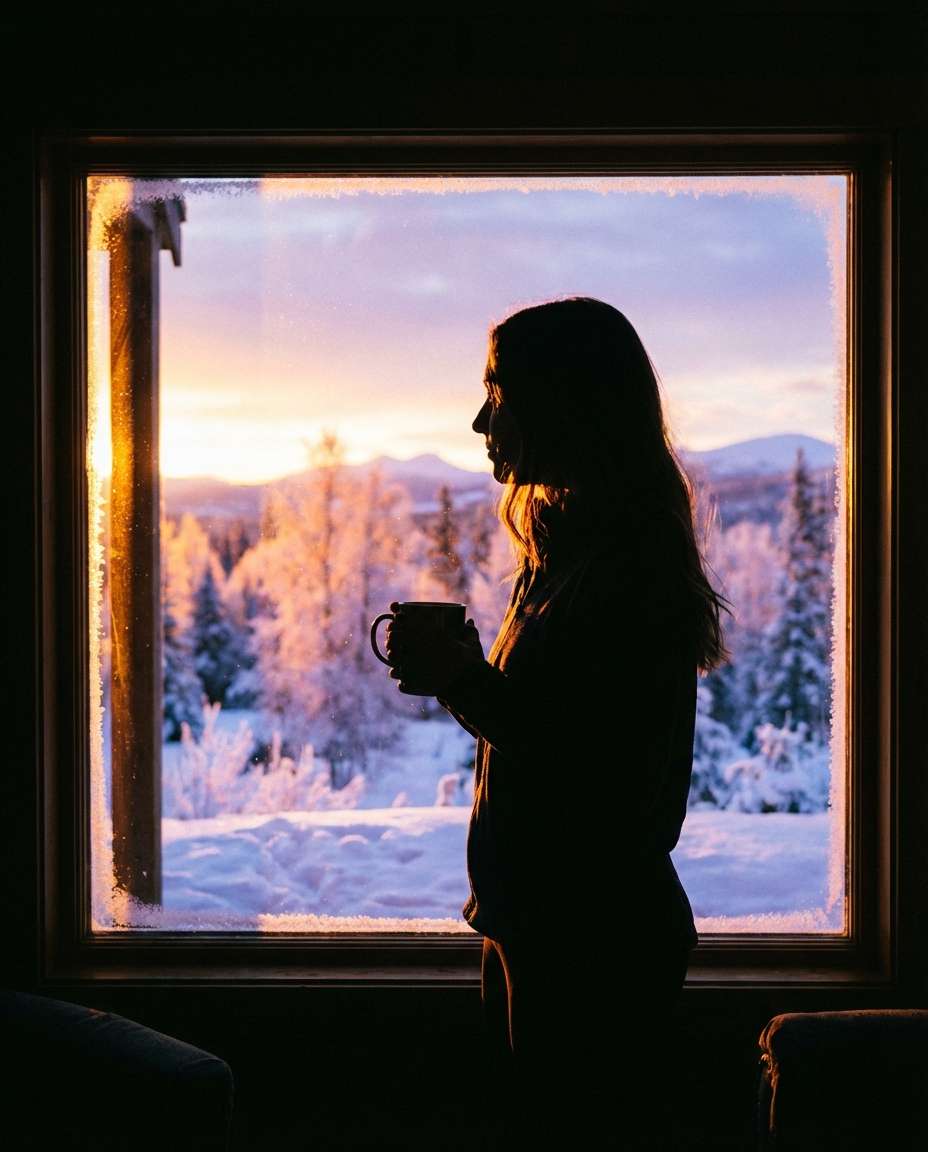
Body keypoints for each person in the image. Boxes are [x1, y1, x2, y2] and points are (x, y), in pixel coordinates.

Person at [382, 297, 731, 1149]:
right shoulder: (571, 554)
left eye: (497, 392)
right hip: (541, 926)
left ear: (565, 401)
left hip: (589, 947)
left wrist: (466, 681)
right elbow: (562, 732)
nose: (478, 420)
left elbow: (597, 773)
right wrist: (474, 679)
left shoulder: (623, 571)